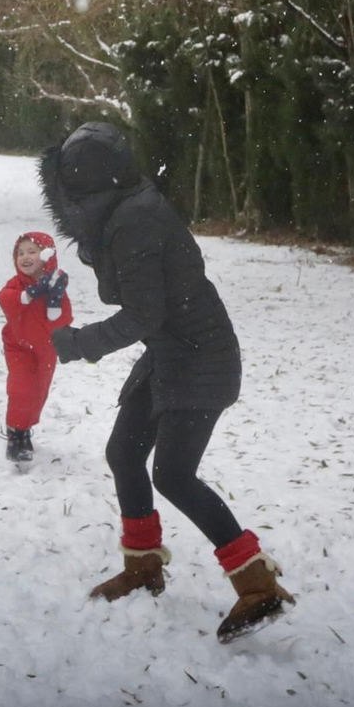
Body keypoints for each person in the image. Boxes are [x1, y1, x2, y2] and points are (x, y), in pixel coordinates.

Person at [42, 121, 294, 643]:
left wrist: (79, 343)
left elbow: (142, 316)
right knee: (123, 454)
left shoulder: (136, 221)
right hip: (169, 354)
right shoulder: (125, 211)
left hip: (201, 357)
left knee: (174, 474)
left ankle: (257, 583)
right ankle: (143, 567)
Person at [0, 230, 73, 463]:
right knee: (21, 388)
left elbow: (63, 319)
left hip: (46, 349)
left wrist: (54, 298)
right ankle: (15, 435)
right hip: (18, 345)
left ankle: (26, 428)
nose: (25, 257)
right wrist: (27, 294)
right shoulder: (17, 284)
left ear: (47, 256)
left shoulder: (56, 287)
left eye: (32, 251)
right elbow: (5, 298)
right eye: (20, 253)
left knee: (38, 391)